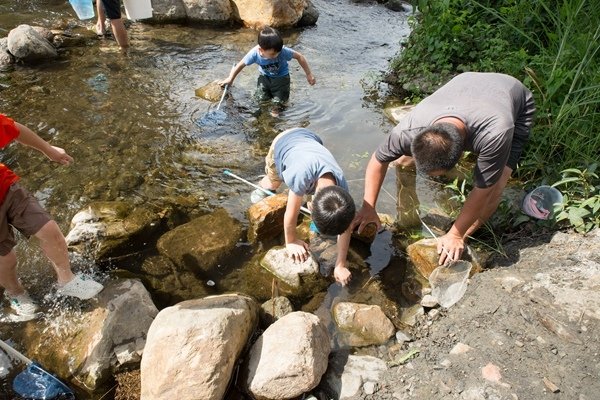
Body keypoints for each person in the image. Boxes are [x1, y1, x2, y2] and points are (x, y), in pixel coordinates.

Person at [353, 72, 535, 265]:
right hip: (467, 83)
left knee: (496, 186)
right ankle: (408, 208)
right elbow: (377, 160)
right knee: (403, 162)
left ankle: (460, 237)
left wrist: (455, 234)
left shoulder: (495, 133)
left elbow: (484, 191)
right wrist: (368, 207)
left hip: (513, 97)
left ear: (460, 156)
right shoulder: (408, 129)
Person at [0, 114, 104, 319]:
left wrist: (49, 150)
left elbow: (15, 129)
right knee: (6, 258)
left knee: (49, 230)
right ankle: (15, 292)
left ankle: (67, 280)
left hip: (6, 188)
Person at [252, 127, 355, 286]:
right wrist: (291, 241)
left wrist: (340, 264)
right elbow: (290, 214)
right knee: (274, 181)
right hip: (284, 143)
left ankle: (317, 220)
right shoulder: (301, 176)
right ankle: (261, 186)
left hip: (311, 140)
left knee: (306, 194)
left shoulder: (342, 193)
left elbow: (346, 228)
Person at [218, 26, 316, 117]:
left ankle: (275, 114)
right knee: (260, 99)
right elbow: (241, 64)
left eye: (278, 52)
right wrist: (230, 79)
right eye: (273, 54)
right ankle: (260, 115)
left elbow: (299, 56)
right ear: (261, 50)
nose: (276, 55)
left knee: (279, 101)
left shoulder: (282, 51)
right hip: (264, 78)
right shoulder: (254, 54)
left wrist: (308, 74)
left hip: (281, 79)